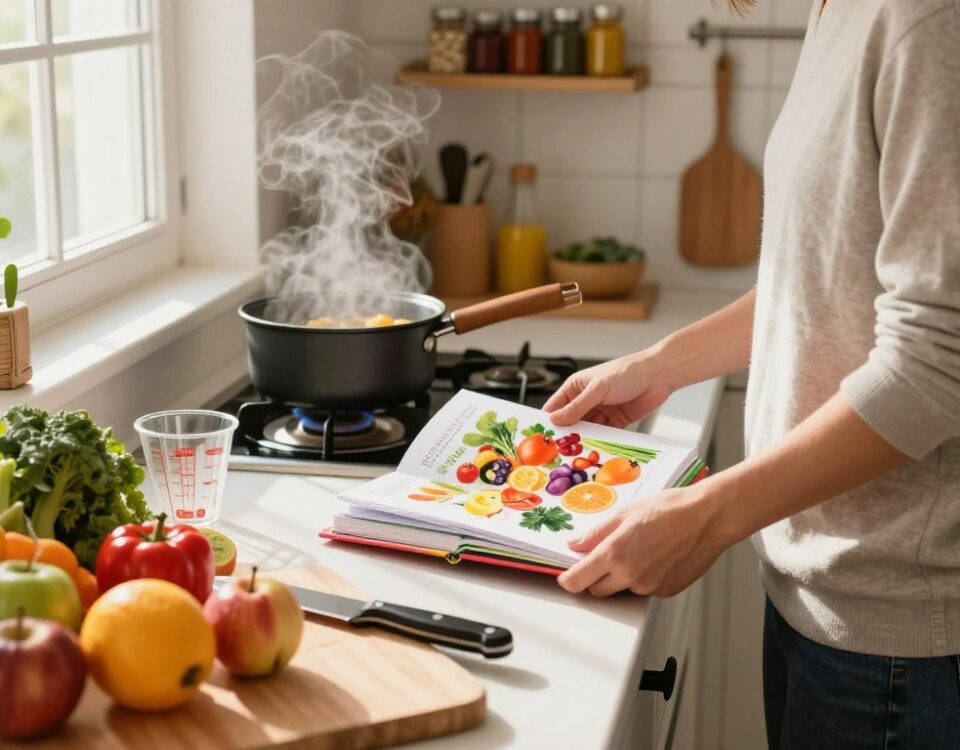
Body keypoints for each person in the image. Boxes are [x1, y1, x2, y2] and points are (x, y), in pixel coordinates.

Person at [543, 0, 960, 747]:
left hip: (902, 634)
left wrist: (708, 515)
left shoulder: (928, 20)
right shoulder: (843, 9)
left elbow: (937, 362)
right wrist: (662, 364)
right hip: (820, 586)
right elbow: (831, 272)